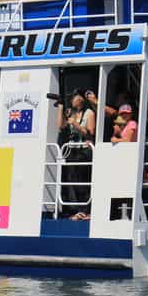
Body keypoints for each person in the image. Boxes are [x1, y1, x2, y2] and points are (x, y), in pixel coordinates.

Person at [56, 90, 96, 219]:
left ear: (80, 99)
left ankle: (86, 210)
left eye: (73, 97)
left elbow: (90, 133)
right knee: (73, 179)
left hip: (84, 150)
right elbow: (60, 126)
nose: (72, 100)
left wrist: (75, 124)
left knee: (83, 181)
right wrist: (61, 108)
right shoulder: (72, 113)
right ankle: (78, 209)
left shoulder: (89, 113)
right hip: (72, 150)